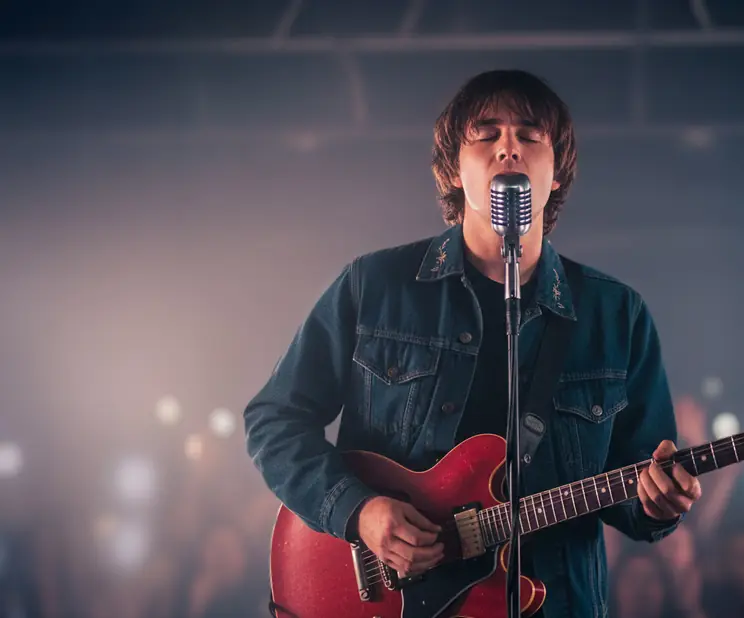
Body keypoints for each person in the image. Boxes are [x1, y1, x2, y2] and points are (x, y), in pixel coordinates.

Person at [243, 69, 702, 618]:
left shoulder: (616, 315)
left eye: (530, 135)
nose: (508, 147)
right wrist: (358, 512)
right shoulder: (373, 286)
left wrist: (658, 505)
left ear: (557, 172)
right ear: (452, 171)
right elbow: (274, 420)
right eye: (486, 134)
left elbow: (637, 489)